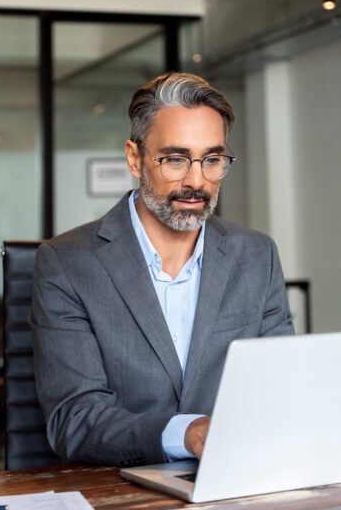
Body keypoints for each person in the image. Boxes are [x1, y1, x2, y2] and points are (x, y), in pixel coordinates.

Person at [30, 72, 294, 467]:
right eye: (175, 159)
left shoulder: (257, 256)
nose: (196, 181)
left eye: (212, 159)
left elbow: (283, 388)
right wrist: (185, 434)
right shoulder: (66, 263)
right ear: (135, 159)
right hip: (118, 491)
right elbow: (75, 418)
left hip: (235, 482)